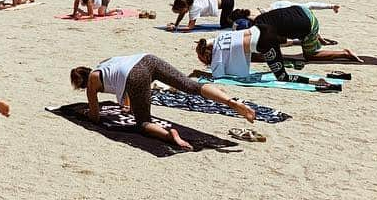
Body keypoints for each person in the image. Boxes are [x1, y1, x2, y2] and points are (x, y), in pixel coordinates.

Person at [70, 54, 256, 150]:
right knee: (190, 85)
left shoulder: (92, 81)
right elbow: (121, 76)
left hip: (135, 75)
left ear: (82, 83)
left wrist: (85, 113)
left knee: (143, 122)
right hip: (147, 59)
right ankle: (231, 102)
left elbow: (95, 116)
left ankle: (170, 136)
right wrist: (127, 104)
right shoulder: (104, 64)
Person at [194, 19, 346, 86]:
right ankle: (294, 56)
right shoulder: (219, 37)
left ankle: (316, 81)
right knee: (273, 52)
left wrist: (202, 72)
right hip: (262, 28)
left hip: (264, 41)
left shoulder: (217, 54)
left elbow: (218, 76)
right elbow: (207, 41)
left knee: (282, 77)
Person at [248, 4, 360, 64]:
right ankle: (313, 38)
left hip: (307, 25)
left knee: (310, 55)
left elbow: (272, 50)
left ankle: (344, 53)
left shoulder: (264, 32)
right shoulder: (261, 18)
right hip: (303, 11)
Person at [167, 0, 237, 31]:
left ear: (185, 7)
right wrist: (176, 24)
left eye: (180, 11)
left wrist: (176, 28)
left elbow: (190, 27)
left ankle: (240, 17)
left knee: (224, 25)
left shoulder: (194, 8)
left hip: (227, 1)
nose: (180, 13)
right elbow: (182, 13)